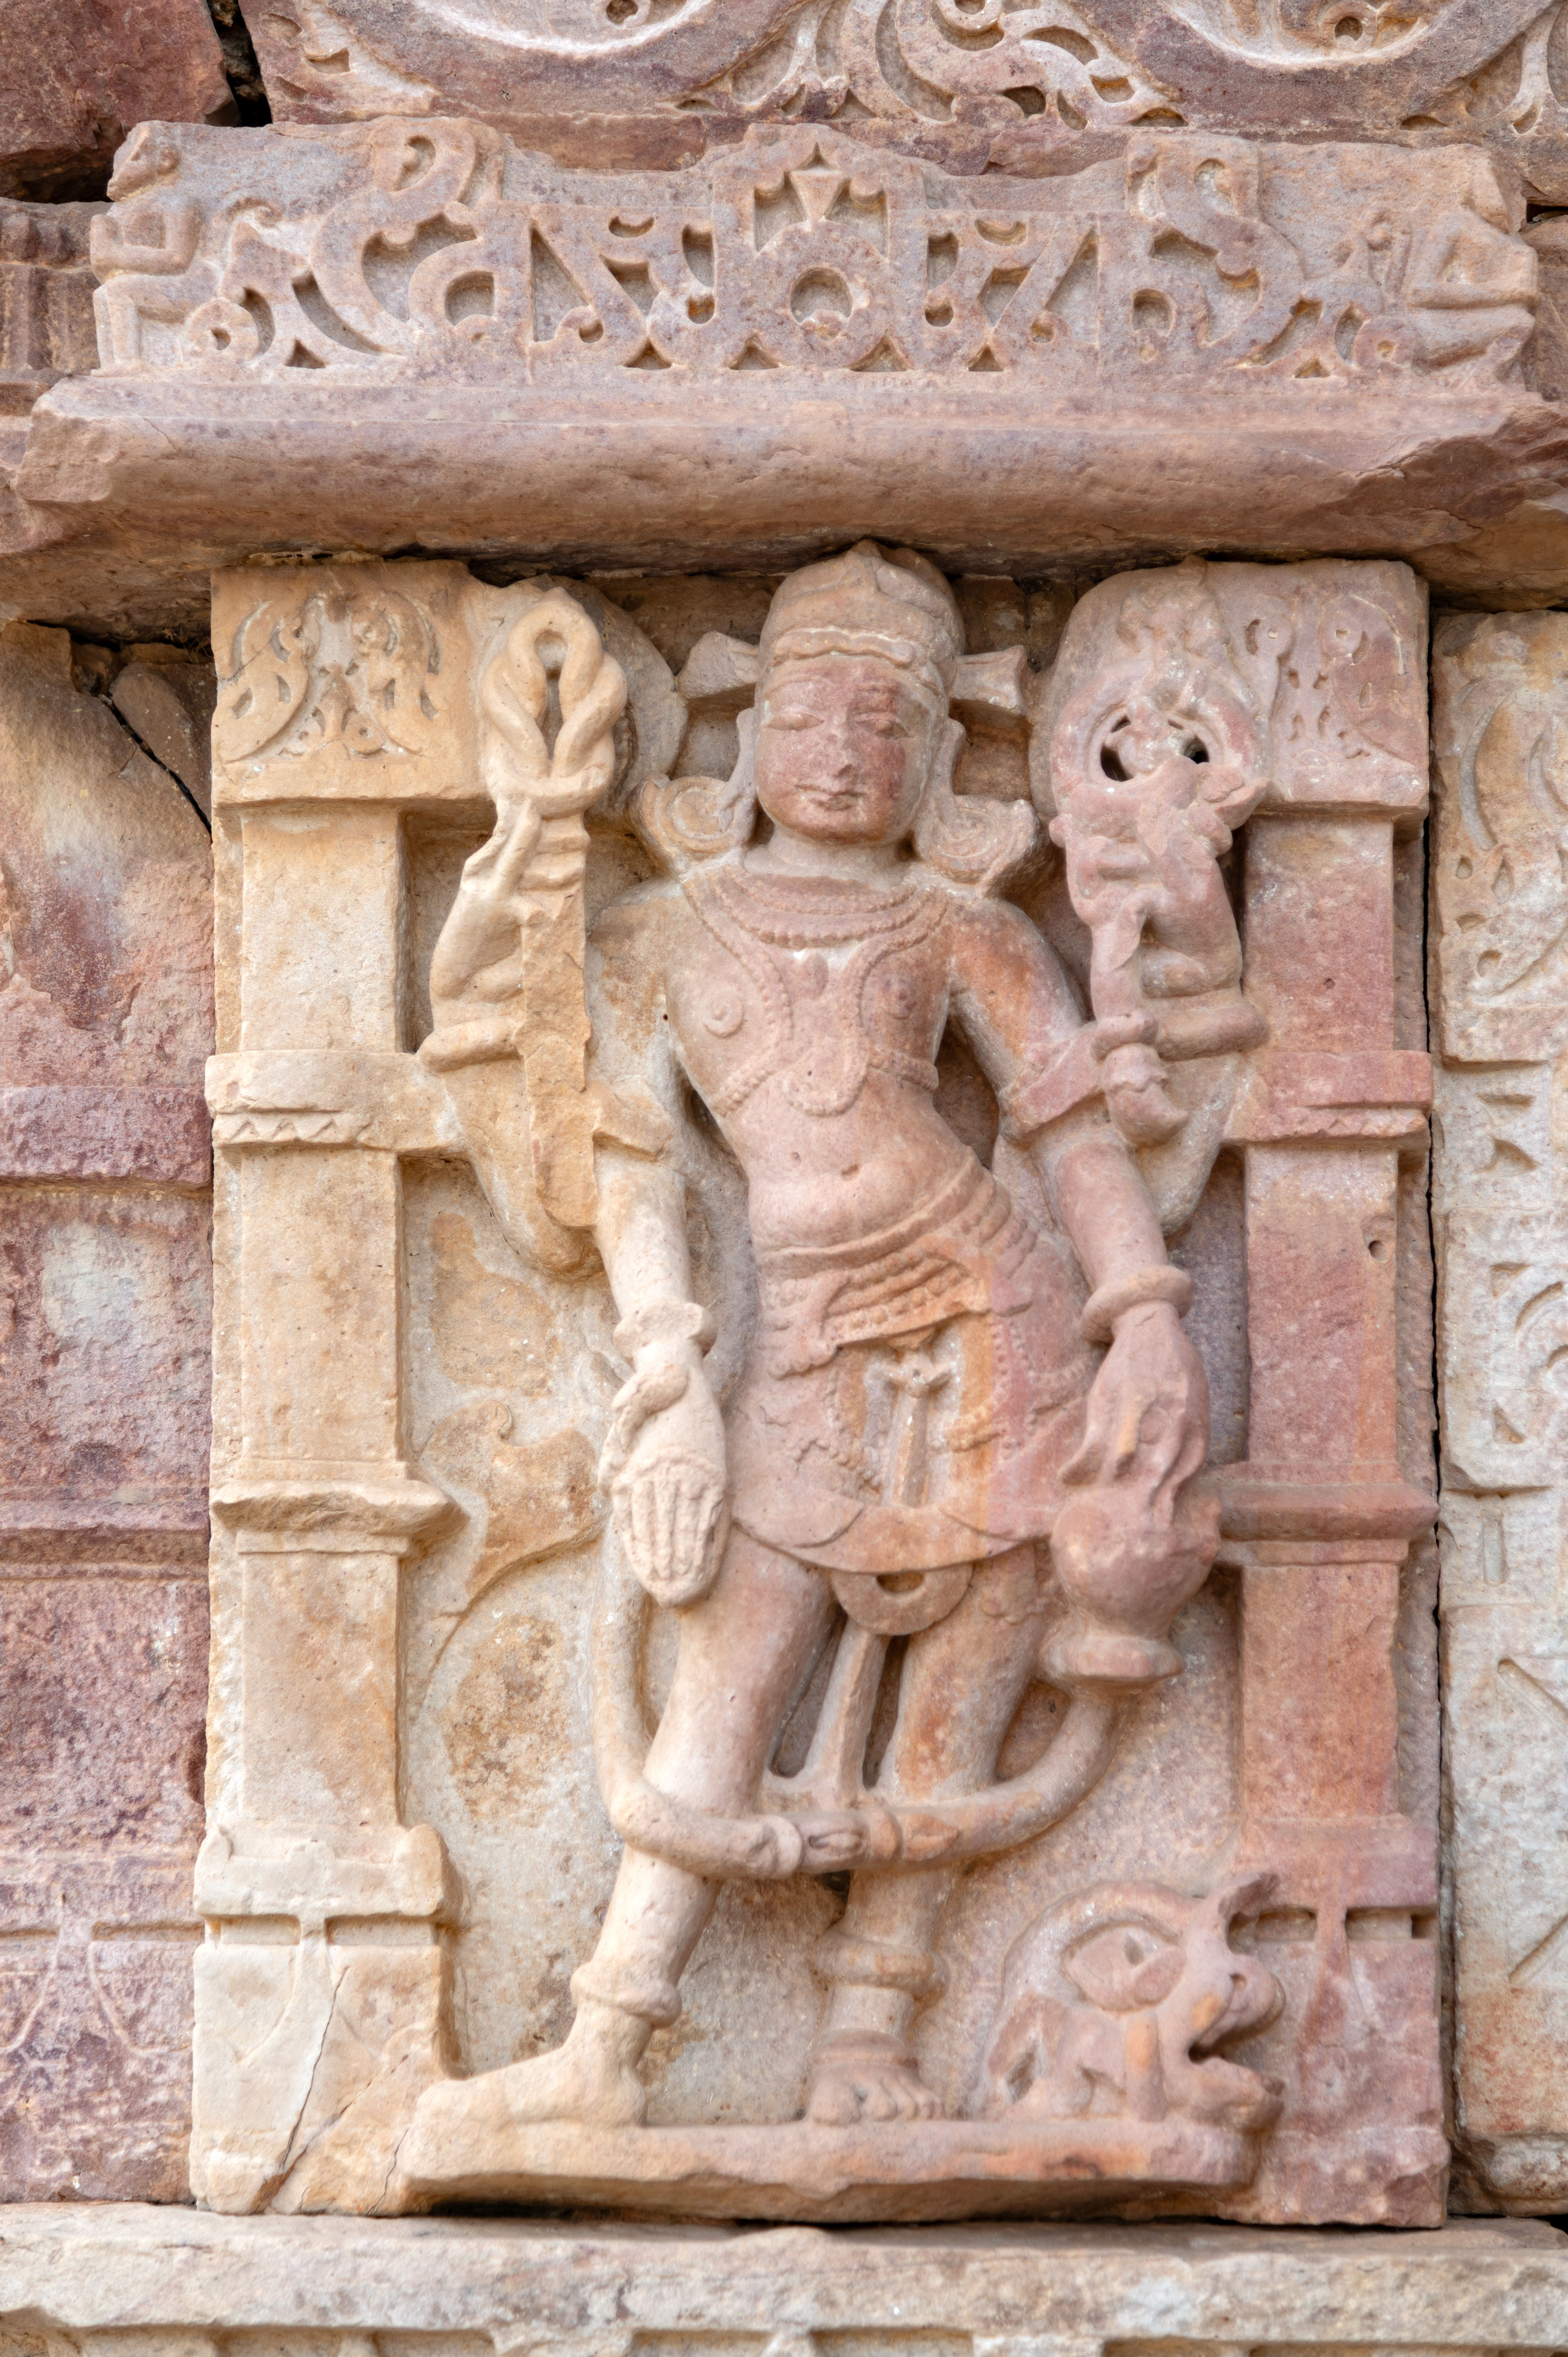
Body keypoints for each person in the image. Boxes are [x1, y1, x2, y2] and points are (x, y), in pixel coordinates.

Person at [420, 542, 1210, 2135]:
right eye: (814, 714)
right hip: (791, 1327)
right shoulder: (659, 930)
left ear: (931, 765)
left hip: (997, 1312)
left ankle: (865, 2045)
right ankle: (608, 2048)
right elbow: (630, 1161)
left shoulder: (959, 927)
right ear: (745, 734)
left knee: (960, 1688)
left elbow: (1066, 1139)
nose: (845, 751)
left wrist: (1140, 1322)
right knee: (729, 1659)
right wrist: (663, 1371)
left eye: (884, 725)